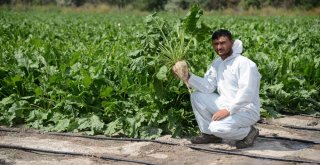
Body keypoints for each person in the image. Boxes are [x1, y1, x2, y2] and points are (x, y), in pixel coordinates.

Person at [173, 29, 261, 149]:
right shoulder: (217, 63)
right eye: (216, 44)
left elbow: (247, 93)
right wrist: (187, 76)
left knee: (216, 127)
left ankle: (249, 132)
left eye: (223, 43)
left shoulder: (245, 64)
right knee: (197, 96)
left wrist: (228, 110)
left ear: (232, 42)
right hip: (226, 104)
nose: (219, 47)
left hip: (246, 110)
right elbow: (208, 86)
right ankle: (210, 135)